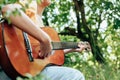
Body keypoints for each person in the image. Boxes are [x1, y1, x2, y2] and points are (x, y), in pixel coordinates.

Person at [0, 0, 87, 80]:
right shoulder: (30, 4)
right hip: (8, 70)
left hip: (27, 70)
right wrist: (44, 39)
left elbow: (42, 56)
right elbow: (8, 9)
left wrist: (72, 48)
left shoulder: (40, 23)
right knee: (75, 76)